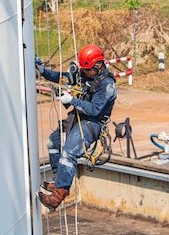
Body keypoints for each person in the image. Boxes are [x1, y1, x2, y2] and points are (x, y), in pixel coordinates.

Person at [35, 44, 117, 210]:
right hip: (79, 117)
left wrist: (71, 101)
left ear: (98, 65)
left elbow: (94, 109)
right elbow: (63, 77)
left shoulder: (107, 85)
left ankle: (57, 196)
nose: (84, 73)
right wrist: (43, 71)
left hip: (92, 123)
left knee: (69, 153)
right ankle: (59, 180)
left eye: (87, 70)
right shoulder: (86, 75)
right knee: (53, 142)